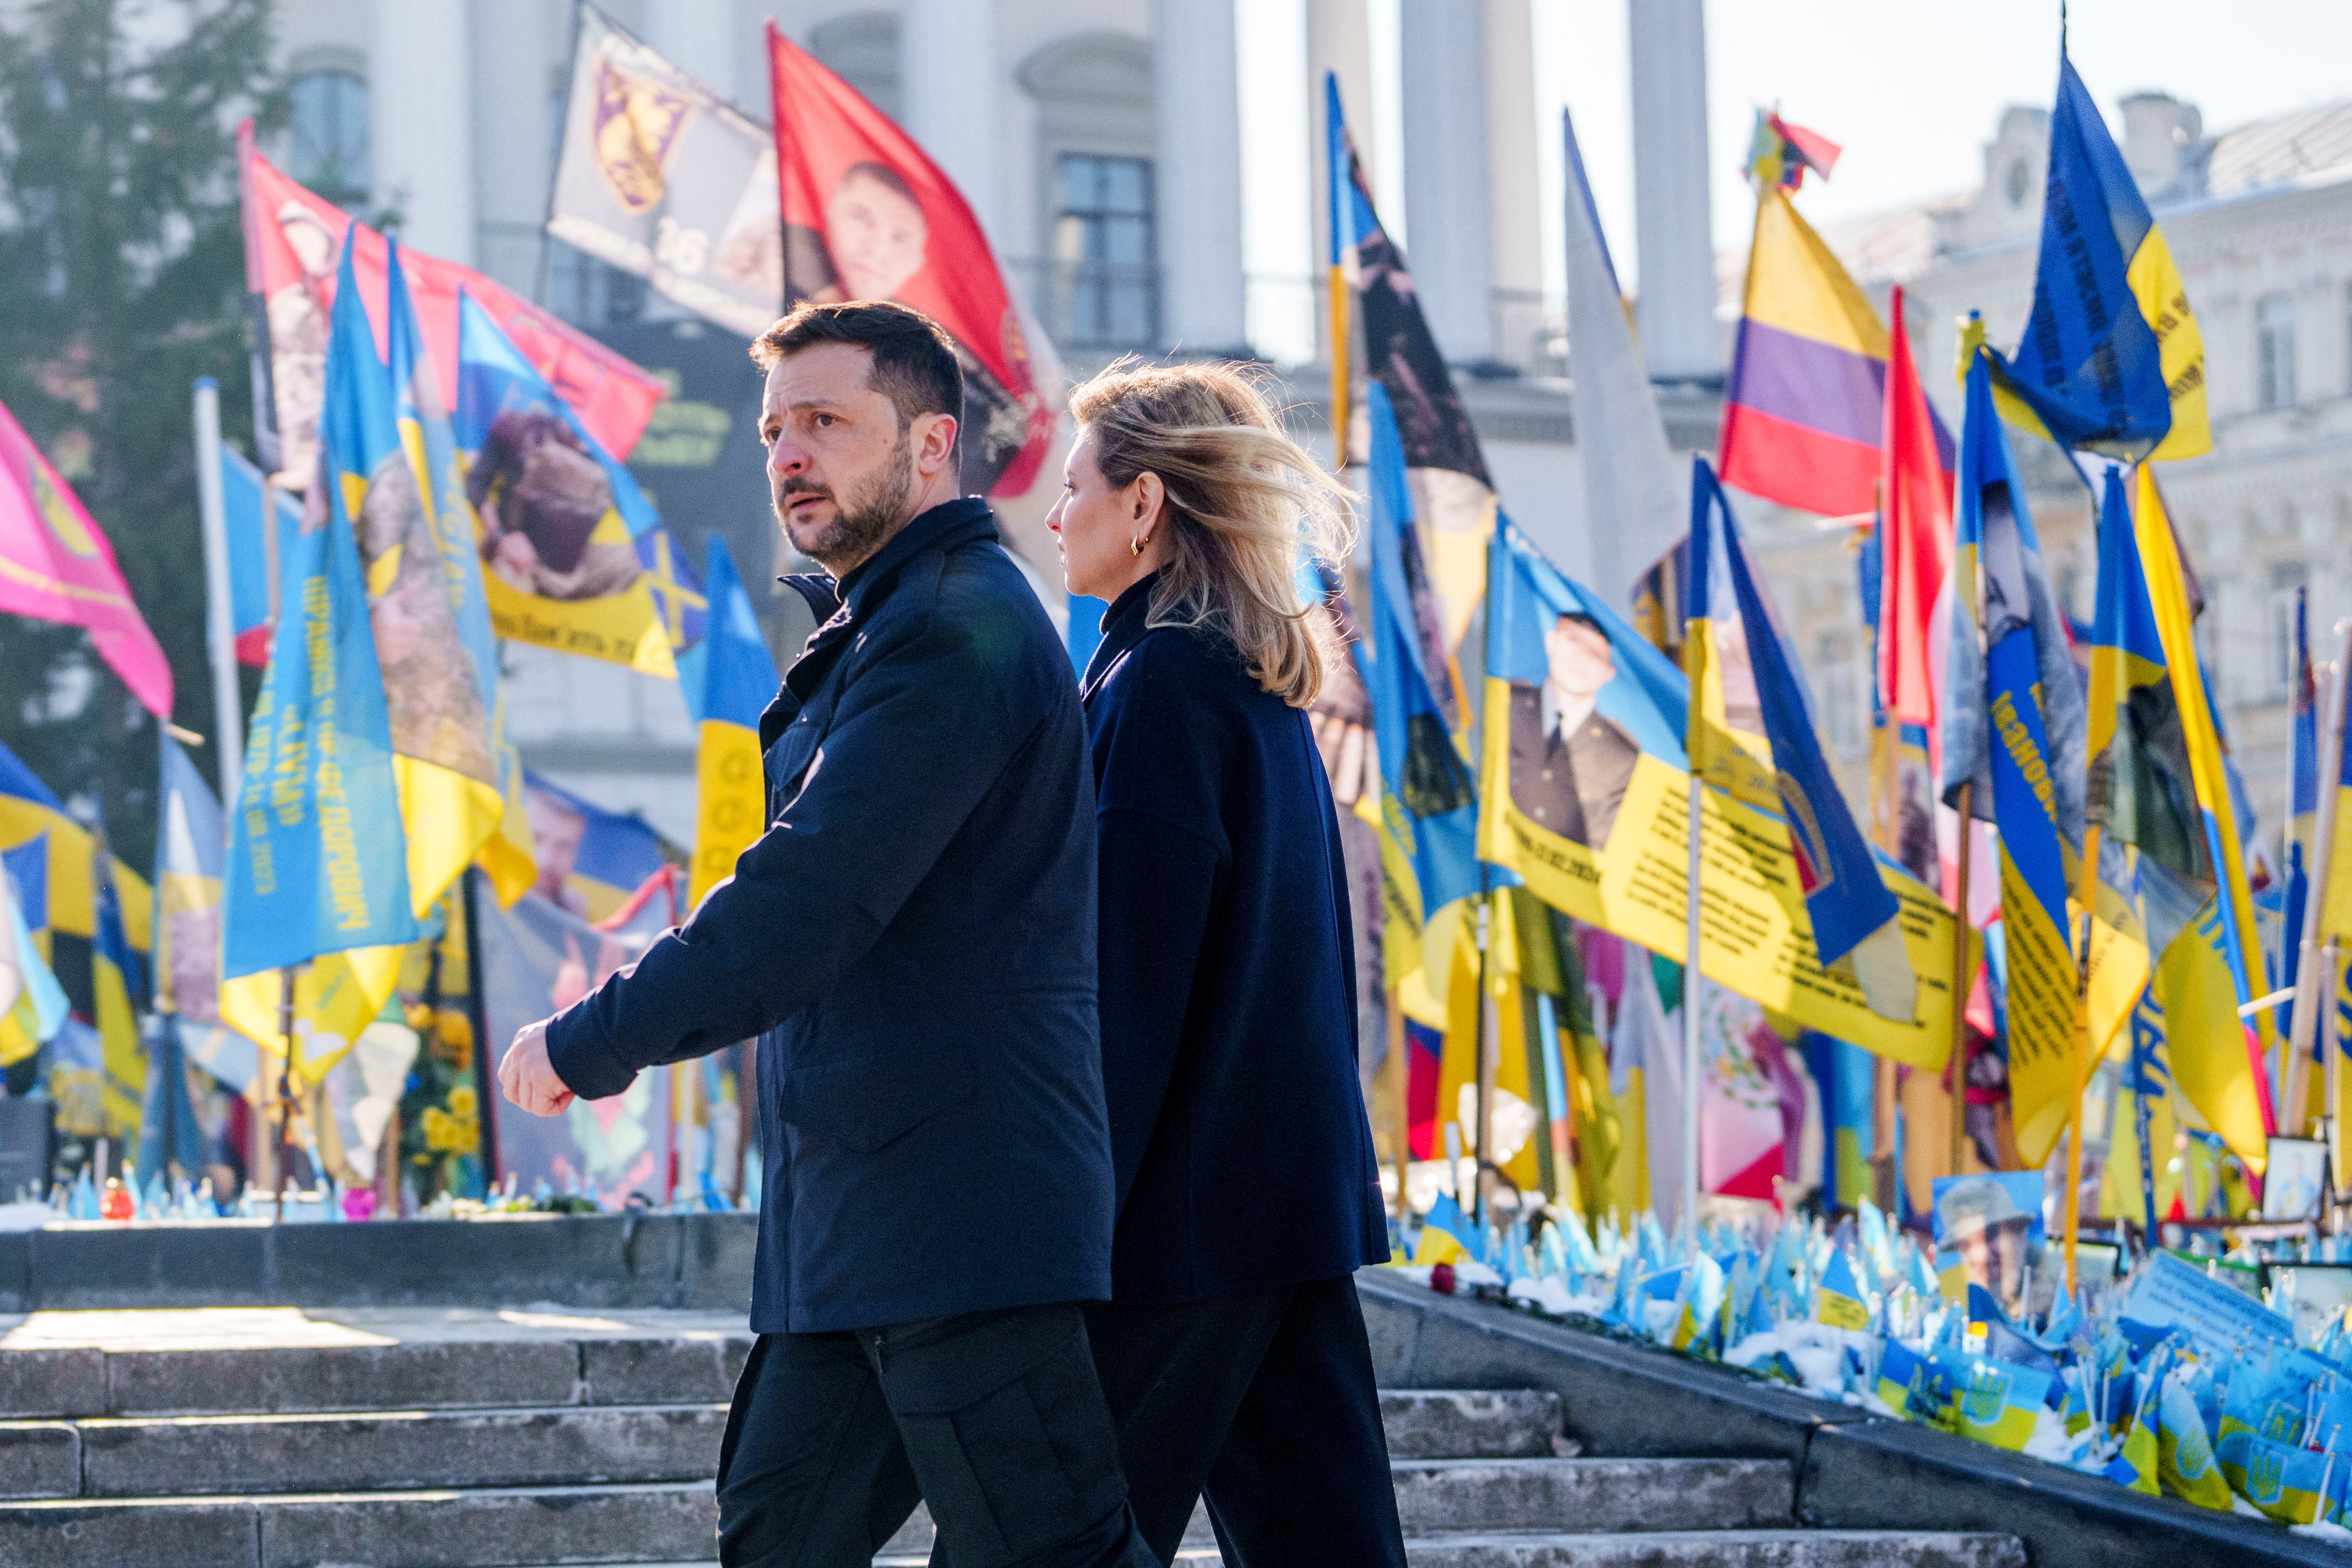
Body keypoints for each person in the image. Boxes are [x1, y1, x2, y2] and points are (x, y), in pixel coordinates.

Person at [498, 300, 1152, 1568]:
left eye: (827, 423)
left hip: (961, 1214)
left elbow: (808, 895)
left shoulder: (955, 624)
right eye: (775, 429)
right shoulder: (884, 622)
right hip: (858, 1221)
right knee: (778, 1539)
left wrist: (597, 1036)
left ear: (927, 447)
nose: (789, 452)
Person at [1045, 360, 1408, 1567]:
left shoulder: (1158, 690)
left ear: (1142, 504)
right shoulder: (1242, 676)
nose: (1053, 514)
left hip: (1182, 1227)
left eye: (1072, 485)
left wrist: (1064, 1227)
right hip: (1280, 1202)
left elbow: (1127, 994)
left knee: (1041, 1541)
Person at [1505, 611, 1640, 848]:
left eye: (1596, 654)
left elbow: (1610, 850)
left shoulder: (1621, 757)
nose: (1581, 658)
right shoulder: (1502, 706)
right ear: (1551, 642)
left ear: (1609, 673)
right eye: (1574, 641)